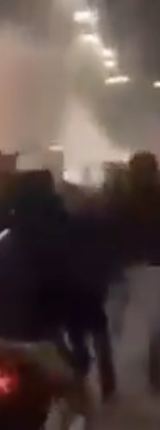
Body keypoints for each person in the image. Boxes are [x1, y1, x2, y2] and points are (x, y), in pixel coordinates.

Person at [0, 170, 101, 429]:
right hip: (32, 348)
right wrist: (81, 354)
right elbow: (75, 304)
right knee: (83, 401)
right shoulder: (58, 245)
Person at [106, 152, 160, 394]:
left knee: (120, 323)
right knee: (154, 325)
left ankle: (118, 377)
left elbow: (111, 232)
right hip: (152, 265)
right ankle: (154, 375)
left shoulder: (120, 200)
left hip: (125, 266)